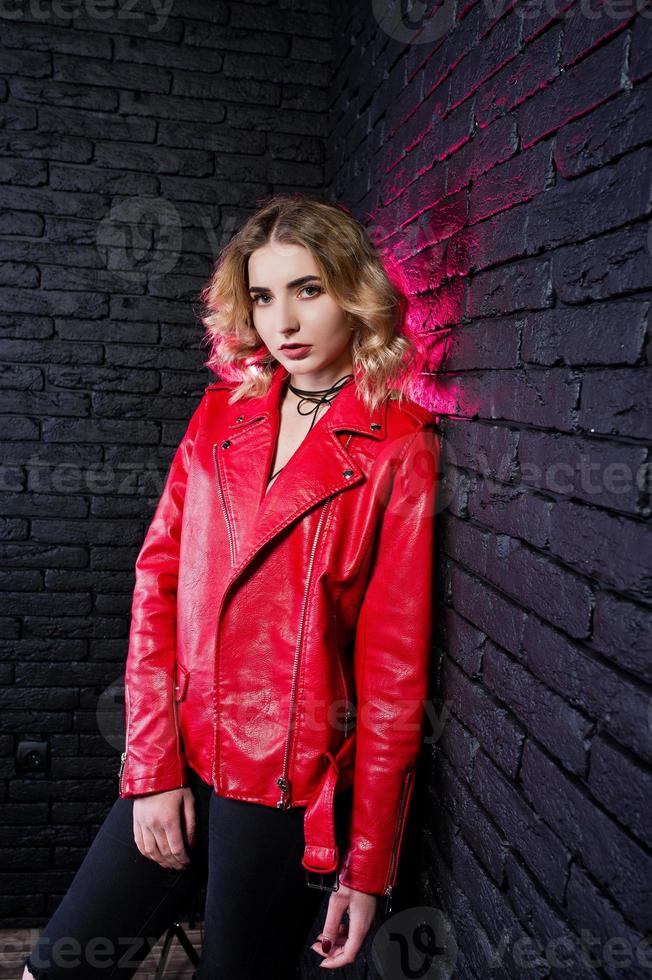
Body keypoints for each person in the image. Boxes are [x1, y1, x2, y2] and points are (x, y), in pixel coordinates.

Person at [22, 193, 441, 979]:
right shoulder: (219, 416)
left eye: (307, 289)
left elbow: (392, 673)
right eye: (263, 295)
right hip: (183, 746)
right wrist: (151, 769)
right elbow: (158, 585)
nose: (283, 320)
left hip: (285, 790)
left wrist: (368, 865)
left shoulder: (400, 447)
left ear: (353, 290)